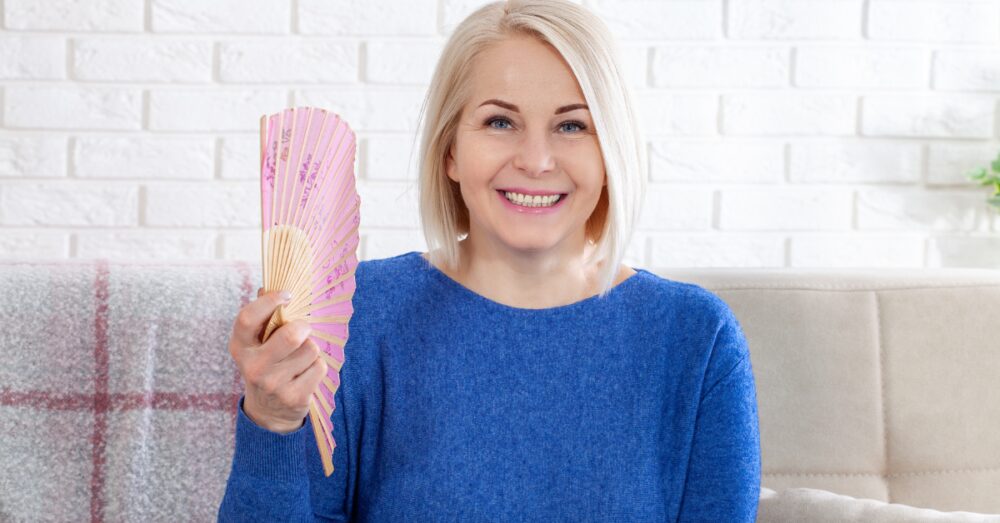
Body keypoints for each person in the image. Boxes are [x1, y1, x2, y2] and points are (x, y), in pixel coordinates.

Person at [218, 0, 761, 521]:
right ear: (451, 149)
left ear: (610, 151)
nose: (536, 160)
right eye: (500, 122)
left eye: (572, 125)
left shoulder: (697, 340)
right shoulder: (359, 316)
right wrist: (273, 421)